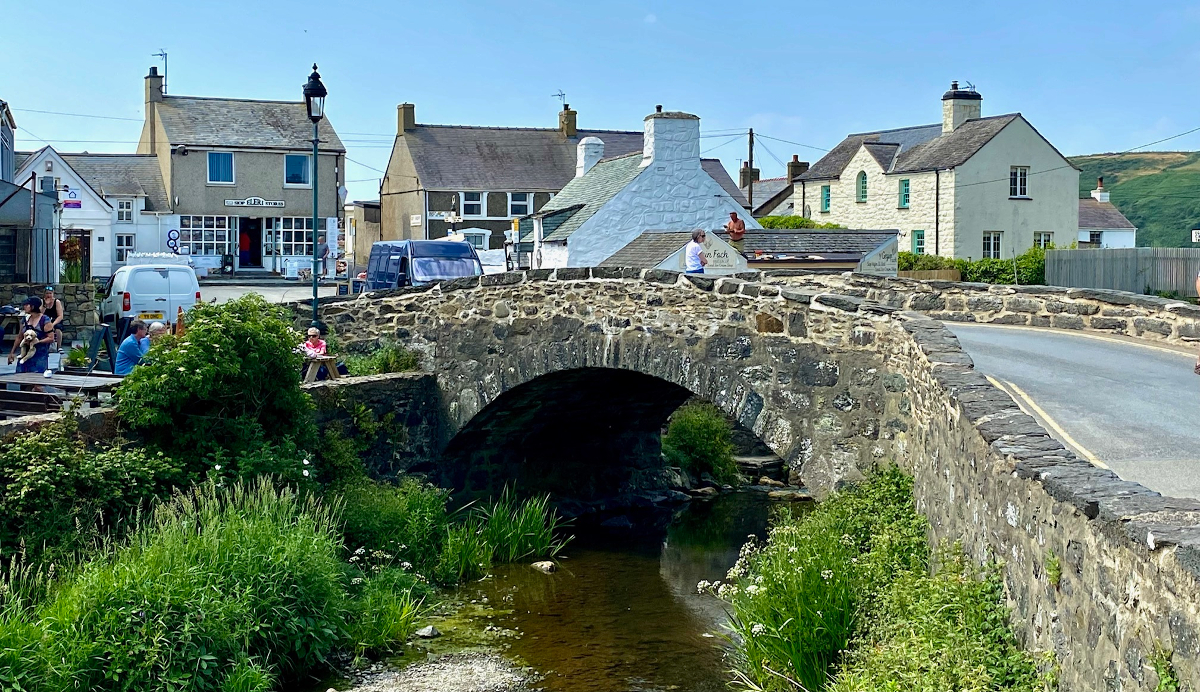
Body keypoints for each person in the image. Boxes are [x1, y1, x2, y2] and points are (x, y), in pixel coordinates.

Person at [7, 297, 53, 374]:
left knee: (37, 383)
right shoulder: (25, 320)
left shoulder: (44, 320)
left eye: (26, 305)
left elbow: (51, 338)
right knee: (22, 380)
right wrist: (12, 352)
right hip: (25, 354)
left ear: (33, 306)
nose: (24, 307)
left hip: (39, 356)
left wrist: (38, 342)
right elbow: (19, 337)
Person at [42, 286, 65, 353]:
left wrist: (53, 324)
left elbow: (60, 316)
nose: (49, 295)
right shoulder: (42, 301)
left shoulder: (56, 302)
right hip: (45, 321)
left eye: (50, 293)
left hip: (55, 320)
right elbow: (40, 314)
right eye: (47, 293)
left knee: (58, 328)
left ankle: (59, 347)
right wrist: (45, 305)